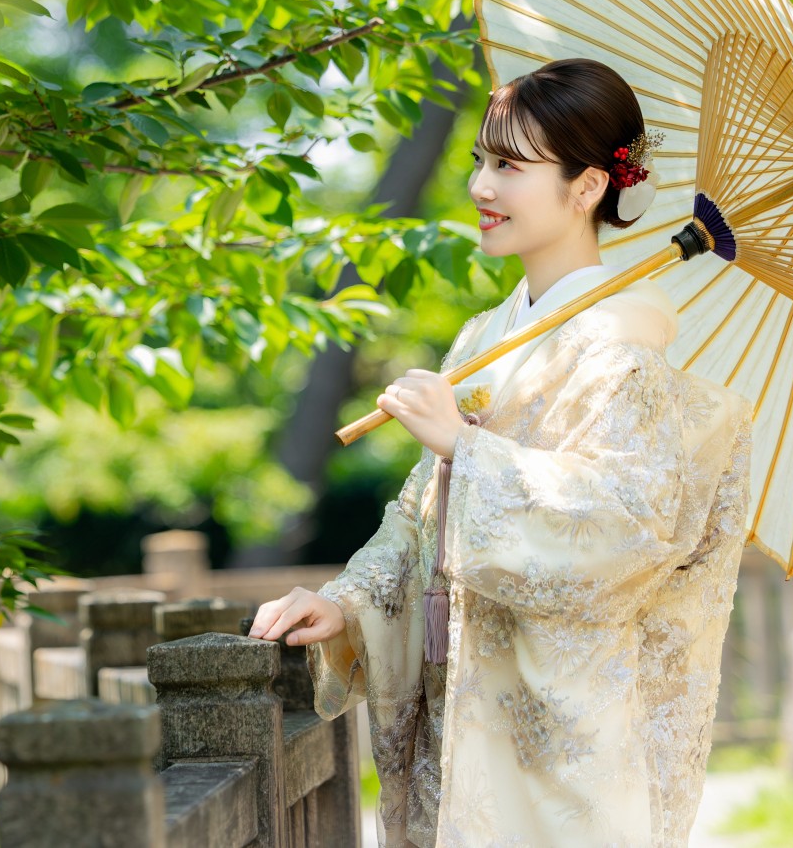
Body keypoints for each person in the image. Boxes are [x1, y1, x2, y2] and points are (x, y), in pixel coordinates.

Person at [248, 57, 754, 848]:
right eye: (481, 160)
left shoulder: (622, 352)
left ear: (588, 186)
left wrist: (466, 449)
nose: (483, 186)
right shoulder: (483, 337)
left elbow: (621, 535)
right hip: (462, 709)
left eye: (510, 166)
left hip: (564, 741)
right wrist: (345, 604)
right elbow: (422, 517)